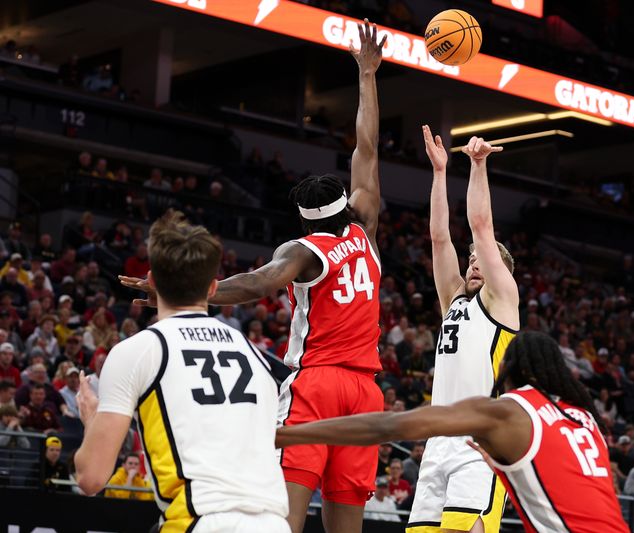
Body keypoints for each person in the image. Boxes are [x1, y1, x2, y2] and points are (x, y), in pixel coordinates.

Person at [120, 20, 387, 533]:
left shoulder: (304, 248)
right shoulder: (366, 227)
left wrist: (185, 288)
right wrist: (367, 75)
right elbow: (367, 150)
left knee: (282, 519)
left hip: (318, 383)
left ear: (306, 218)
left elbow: (259, 284)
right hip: (367, 391)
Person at [277, 332, 629, 533]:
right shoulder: (584, 417)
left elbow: (390, 425)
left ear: (510, 368)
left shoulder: (508, 411)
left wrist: (290, 434)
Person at [75, 211, 290, 532]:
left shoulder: (137, 350)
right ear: (215, 288)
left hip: (201, 519)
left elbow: (91, 479)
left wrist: (91, 419)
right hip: (274, 523)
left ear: (153, 282)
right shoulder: (255, 355)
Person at [404, 126, 518, 533]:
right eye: (469, 258)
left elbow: (481, 227)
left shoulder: (503, 300)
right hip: (439, 441)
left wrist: (478, 164)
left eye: (480, 259)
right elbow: (438, 239)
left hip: (480, 442)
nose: (472, 262)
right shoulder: (454, 299)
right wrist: (438, 174)